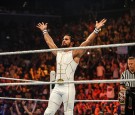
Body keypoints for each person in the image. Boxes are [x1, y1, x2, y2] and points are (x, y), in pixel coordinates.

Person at [36, 19, 107, 115]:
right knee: (48, 112)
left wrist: (96, 30)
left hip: (68, 87)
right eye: (63, 39)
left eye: (66, 39)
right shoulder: (58, 53)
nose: (63, 40)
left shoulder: (75, 53)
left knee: (68, 113)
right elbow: (50, 42)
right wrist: (44, 31)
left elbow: (87, 41)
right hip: (57, 87)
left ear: (72, 42)